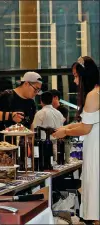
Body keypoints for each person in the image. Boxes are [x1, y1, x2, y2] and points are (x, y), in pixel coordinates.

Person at [53, 56, 99, 223]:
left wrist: (64, 131)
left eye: (75, 76)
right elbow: (83, 123)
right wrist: (66, 129)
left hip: (96, 150)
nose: (74, 80)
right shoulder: (96, 93)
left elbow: (85, 128)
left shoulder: (94, 94)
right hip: (94, 146)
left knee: (95, 199)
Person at [0, 71, 42, 142]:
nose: (36, 93)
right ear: (26, 84)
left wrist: (30, 142)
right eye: (36, 89)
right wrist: (10, 116)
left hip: (21, 146)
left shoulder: (31, 103)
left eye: (38, 90)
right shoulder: (6, 96)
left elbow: (30, 125)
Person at [33, 91, 65, 161]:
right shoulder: (59, 113)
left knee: (46, 166)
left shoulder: (40, 113)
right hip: (58, 144)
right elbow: (62, 128)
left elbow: (35, 130)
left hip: (45, 146)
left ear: (41, 101)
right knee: (57, 165)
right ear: (51, 100)